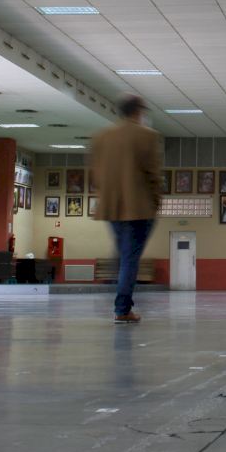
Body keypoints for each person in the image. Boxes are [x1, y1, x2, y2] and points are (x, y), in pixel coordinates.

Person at [90, 94, 161, 324]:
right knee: (131, 258)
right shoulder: (147, 135)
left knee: (124, 254)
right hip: (139, 207)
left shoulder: (102, 136)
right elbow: (153, 174)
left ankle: (122, 298)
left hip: (112, 207)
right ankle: (122, 308)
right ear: (139, 111)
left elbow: (96, 175)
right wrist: (156, 202)